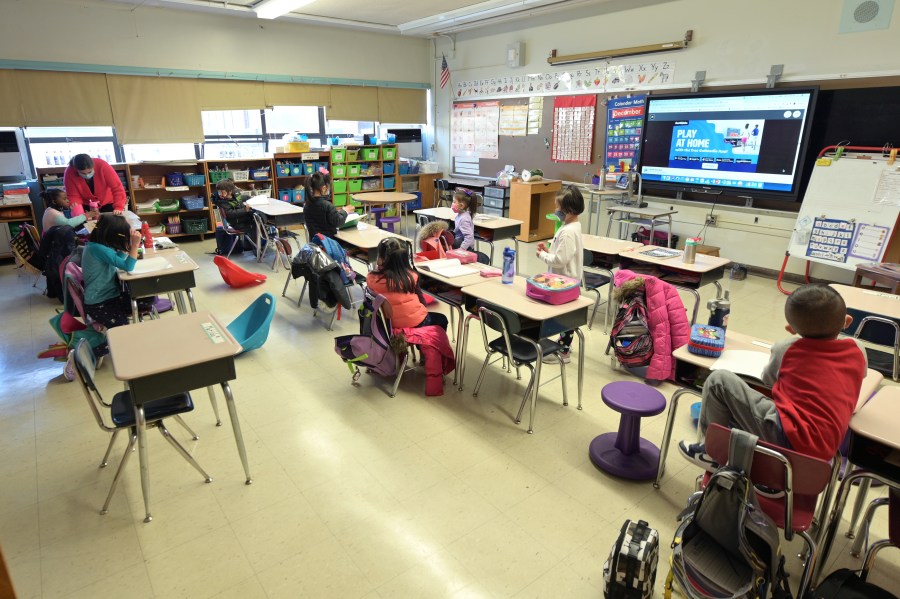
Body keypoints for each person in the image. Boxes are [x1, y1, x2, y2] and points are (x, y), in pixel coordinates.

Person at [680, 284, 867, 469]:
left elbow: (769, 380)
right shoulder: (858, 350)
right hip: (828, 447)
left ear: (790, 328)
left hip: (789, 436)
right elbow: (858, 375)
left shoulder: (786, 348)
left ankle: (712, 453)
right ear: (847, 321)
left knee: (718, 381)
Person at [82, 214, 154, 354]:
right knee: (122, 335)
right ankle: (86, 354)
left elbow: (117, 260)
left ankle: (126, 333)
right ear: (114, 235)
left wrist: (124, 249)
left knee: (147, 299)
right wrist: (134, 245)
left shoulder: (97, 246)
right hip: (100, 303)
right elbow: (128, 266)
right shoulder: (99, 249)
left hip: (109, 297)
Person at [536, 185, 584, 363]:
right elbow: (563, 254)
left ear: (569, 210)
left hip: (564, 282)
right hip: (567, 278)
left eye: (558, 207)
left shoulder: (568, 232)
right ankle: (564, 345)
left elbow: (559, 261)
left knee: (564, 318)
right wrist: (550, 250)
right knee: (565, 317)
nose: (556, 210)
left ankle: (563, 352)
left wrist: (542, 255)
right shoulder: (572, 226)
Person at [366, 237, 448, 330]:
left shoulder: (371, 278)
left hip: (386, 327)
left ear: (380, 259)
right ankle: (424, 342)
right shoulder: (411, 277)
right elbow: (422, 302)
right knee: (442, 319)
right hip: (413, 323)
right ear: (405, 259)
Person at [63, 154, 128, 217]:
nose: (87, 175)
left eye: (89, 172)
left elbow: (117, 187)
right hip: (86, 204)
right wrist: (80, 216)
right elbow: (73, 196)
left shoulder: (102, 165)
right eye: (83, 173)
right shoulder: (70, 172)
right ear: (76, 170)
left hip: (107, 202)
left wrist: (118, 207)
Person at [212, 178, 259, 254]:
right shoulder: (222, 201)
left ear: (230, 191)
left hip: (242, 219)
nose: (220, 194)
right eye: (219, 192)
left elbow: (241, 199)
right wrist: (245, 210)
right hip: (237, 223)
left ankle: (257, 245)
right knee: (256, 225)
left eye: (222, 192)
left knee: (258, 219)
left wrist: (250, 198)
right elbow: (231, 213)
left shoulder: (234, 195)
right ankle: (257, 250)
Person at [304, 171, 354, 240]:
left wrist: (338, 212)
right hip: (328, 244)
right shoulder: (327, 205)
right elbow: (338, 222)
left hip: (315, 243)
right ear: (324, 188)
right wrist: (345, 211)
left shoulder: (307, 205)